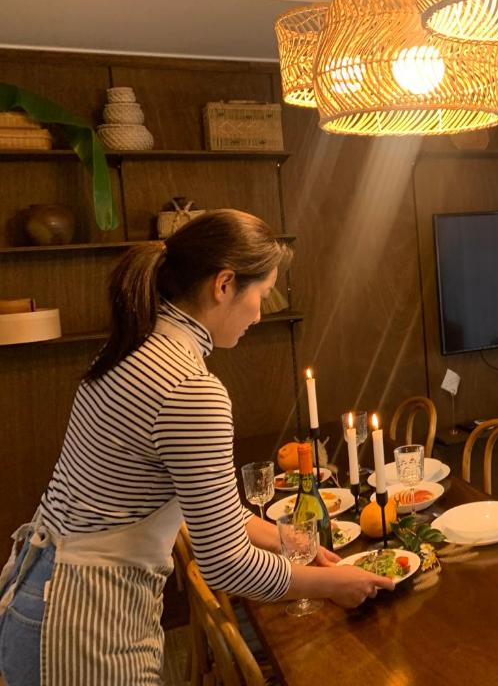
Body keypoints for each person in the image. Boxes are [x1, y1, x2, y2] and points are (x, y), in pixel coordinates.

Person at [0, 209, 393, 685]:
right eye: (262, 294)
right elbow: (226, 564)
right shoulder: (189, 388)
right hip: (86, 624)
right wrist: (331, 584)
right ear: (224, 284)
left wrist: (293, 543)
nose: (260, 312)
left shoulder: (133, 347)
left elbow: (210, 507)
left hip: (44, 593)